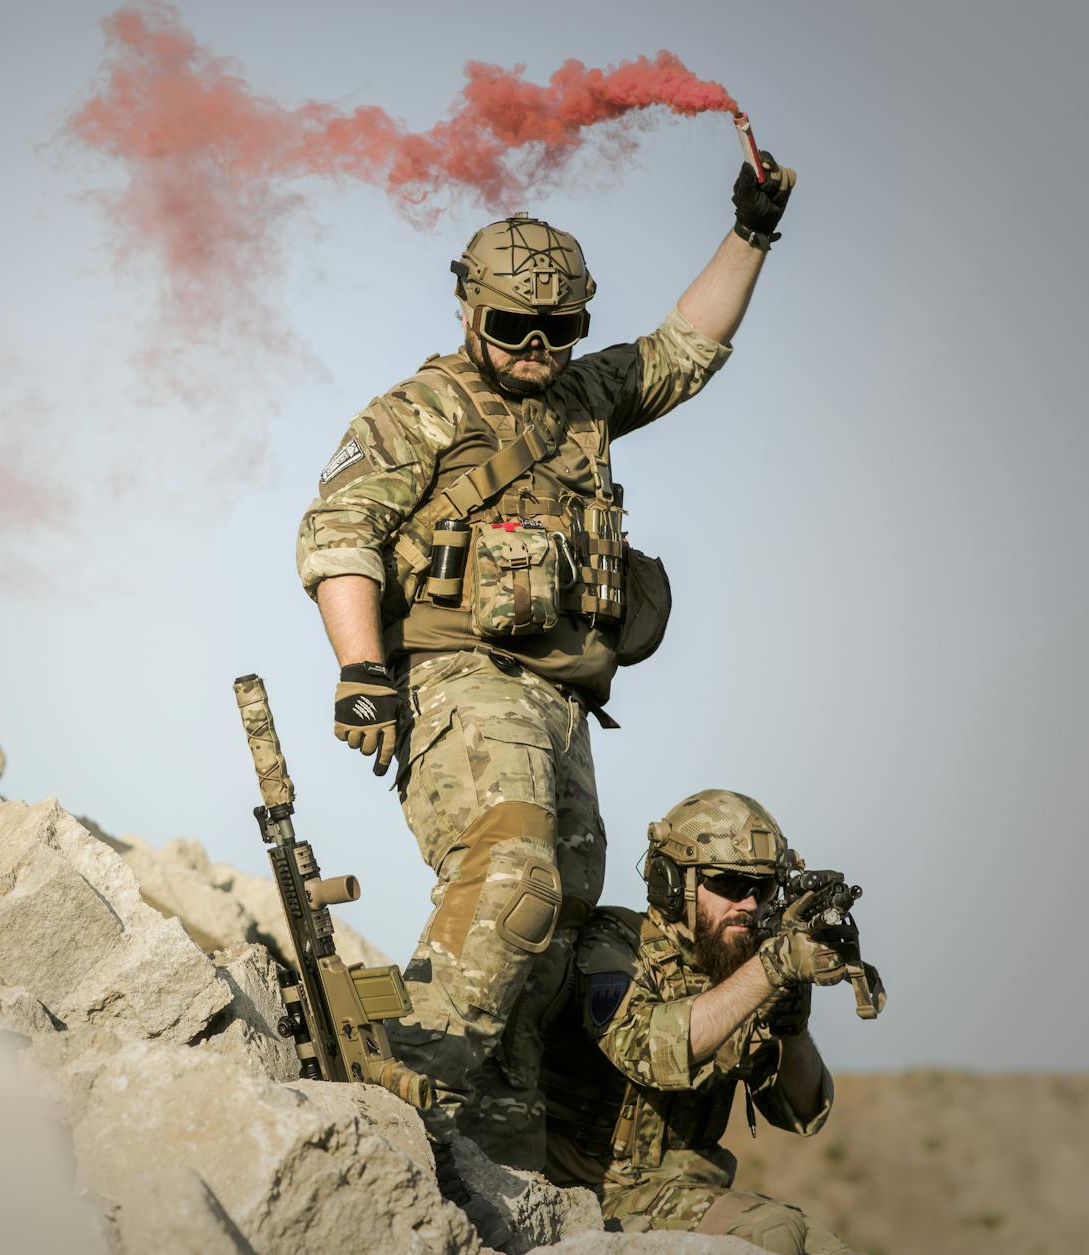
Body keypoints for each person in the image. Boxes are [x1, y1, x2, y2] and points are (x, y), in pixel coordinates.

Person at [293, 153, 797, 1162]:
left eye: (558, 329)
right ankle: (407, 1069)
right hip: (459, 681)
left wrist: (751, 230)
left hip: (562, 705)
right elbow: (338, 534)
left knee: (558, 919)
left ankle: (497, 1126)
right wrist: (360, 670)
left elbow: (683, 349)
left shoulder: (582, 397)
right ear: (466, 311)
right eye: (512, 326)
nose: (536, 347)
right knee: (511, 874)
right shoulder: (418, 411)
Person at [537, 789, 853, 1254]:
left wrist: (792, 1027)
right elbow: (648, 1051)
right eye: (730, 884)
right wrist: (771, 969)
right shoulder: (615, 946)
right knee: (775, 1232)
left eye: (763, 889)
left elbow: (801, 1112)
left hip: (693, 1191)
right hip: (596, 1192)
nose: (749, 905)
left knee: (823, 1246)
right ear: (671, 882)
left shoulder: (740, 968)